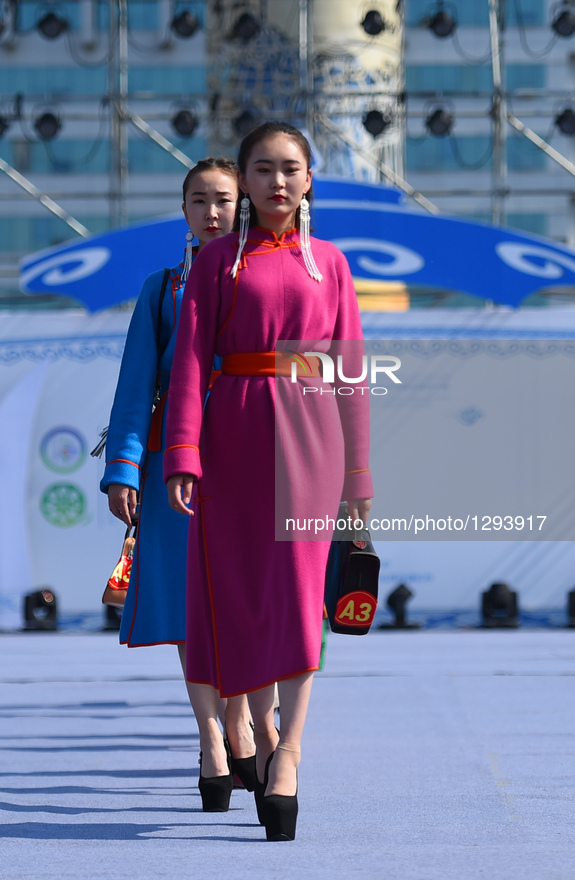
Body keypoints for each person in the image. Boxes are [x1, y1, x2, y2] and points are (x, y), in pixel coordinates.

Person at [164, 123, 373, 840]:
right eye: (262, 169)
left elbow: (351, 375)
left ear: (309, 180)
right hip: (231, 444)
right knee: (239, 596)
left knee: (298, 597)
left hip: (311, 442)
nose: (277, 181)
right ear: (245, 182)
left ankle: (289, 751)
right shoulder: (216, 263)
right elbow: (189, 364)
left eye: (290, 169)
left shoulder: (333, 266)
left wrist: (358, 478)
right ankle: (247, 727)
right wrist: (182, 455)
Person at [100, 157, 256, 809]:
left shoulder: (272, 281)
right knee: (190, 607)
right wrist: (122, 467)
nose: (212, 211)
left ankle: (242, 720)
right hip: (174, 471)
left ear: (242, 207)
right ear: (184, 210)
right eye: (199, 200)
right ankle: (212, 741)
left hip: (250, 462)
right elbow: (136, 387)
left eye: (223, 199)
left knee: (243, 604)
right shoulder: (161, 288)